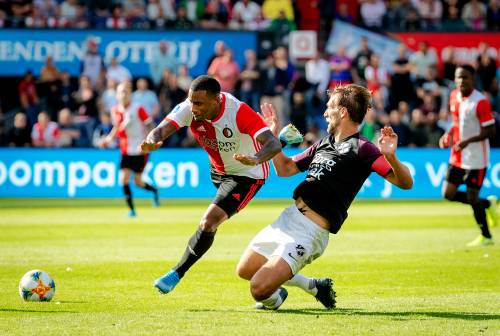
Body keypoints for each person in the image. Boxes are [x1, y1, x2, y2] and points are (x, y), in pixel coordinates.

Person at [236, 84, 413, 310]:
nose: (324, 112)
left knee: (259, 289)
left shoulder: (364, 149)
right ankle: (313, 286)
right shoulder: (323, 143)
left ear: (343, 112)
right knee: (245, 271)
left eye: (329, 107)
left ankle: (276, 298)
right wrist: (272, 136)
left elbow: (405, 183)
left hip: (310, 232)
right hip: (288, 219)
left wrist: (391, 157)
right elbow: (285, 169)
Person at [140, 75, 281, 294]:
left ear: (217, 100)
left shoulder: (239, 112)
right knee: (211, 225)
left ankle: (176, 273)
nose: (193, 108)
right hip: (218, 171)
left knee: (208, 222)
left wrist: (255, 158)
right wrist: (152, 139)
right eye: (191, 101)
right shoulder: (189, 107)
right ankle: (279, 289)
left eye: (199, 103)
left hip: (247, 174)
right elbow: (160, 130)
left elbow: (273, 144)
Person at [439, 65, 497, 247]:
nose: (461, 81)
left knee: (472, 197)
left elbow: (490, 130)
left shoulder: (480, 102)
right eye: (458, 77)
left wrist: (467, 141)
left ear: (473, 79)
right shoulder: (454, 96)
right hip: (457, 155)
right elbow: (456, 122)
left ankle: (486, 236)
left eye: (465, 77)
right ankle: (488, 204)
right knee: (448, 193)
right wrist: (448, 134)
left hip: (476, 158)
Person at [101, 82, 159, 217]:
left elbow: (150, 124)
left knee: (138, 182)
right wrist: (109, 139)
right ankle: (132, 210)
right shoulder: (114, 110)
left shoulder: (138, 108)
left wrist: (151, 140)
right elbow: (117, 127)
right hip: (125, 151)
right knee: (123, 179)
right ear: (117, 95)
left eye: (126, 92)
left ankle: (154, 191)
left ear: (130, 94)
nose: (124, 94)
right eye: (121, 92)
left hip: (140, 150)